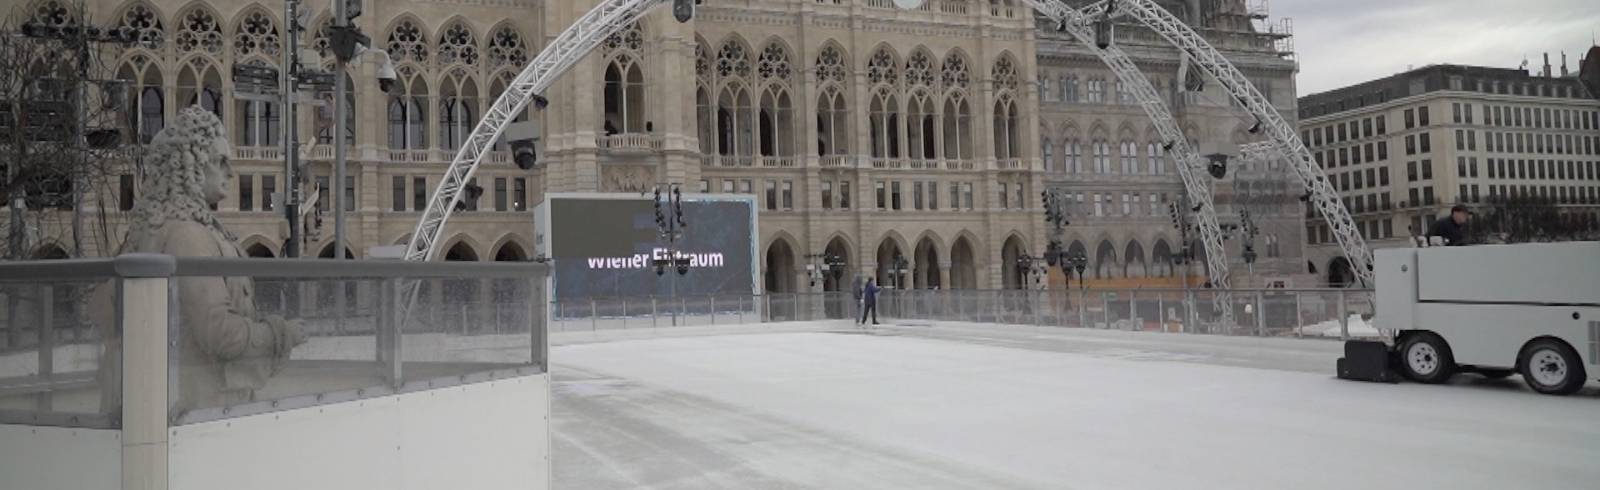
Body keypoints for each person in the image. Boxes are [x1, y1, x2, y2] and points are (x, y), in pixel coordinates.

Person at [99, 105, 305, 414]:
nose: (230, 173)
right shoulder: (188, 236)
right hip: (202, 406)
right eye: (220, 162)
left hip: (168, 399)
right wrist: (282, 333)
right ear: (191, 164)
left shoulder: (155, 227)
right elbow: (219, 333)